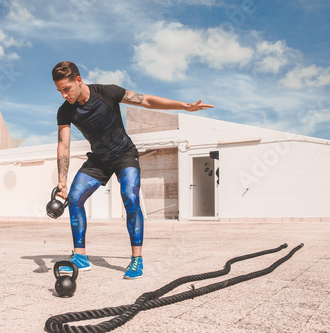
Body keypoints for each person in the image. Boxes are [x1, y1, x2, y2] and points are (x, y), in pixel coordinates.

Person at [52, 61, 214, 279]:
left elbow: (145, 100)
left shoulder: (107, 92)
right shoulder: (65, 111)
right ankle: (80, 257)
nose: (64, 95)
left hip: (124, 155)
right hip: (99, 159)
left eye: (66, 89)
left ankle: (137, 260)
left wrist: (184, 106)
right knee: (75, 197)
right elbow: (64, 144)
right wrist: (62, 179)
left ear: (78, 80)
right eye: (59, 91)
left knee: (130, 196)